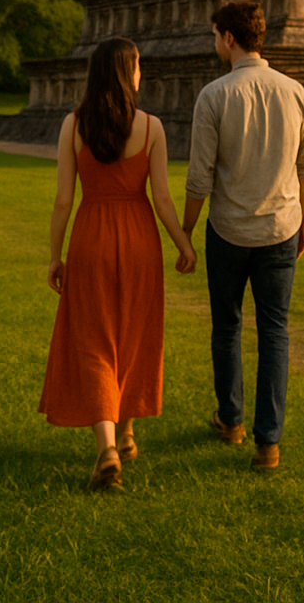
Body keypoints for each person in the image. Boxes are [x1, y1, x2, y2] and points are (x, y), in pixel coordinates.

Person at [40, 37, 196, 490]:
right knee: (133, 332)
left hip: (91, 236)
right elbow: (163, 198)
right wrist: (183, 243)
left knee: (93, 338)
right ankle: (125, 432)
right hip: (138, 238)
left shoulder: (73, 125)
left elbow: (63, 199)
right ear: (129, 73)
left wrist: (55, 255)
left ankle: (110, 445)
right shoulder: (151, 127)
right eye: (139, 67)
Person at [182, 0, 304, 470]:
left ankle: (232, 421)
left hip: (227, 229)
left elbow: (199, 178)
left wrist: (185, 229)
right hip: (281, 228)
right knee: (274, 333)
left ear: (228, 38)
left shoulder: (215, 95)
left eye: (215, 34)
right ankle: (269, 443)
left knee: (228, 327)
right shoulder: (294, 91)